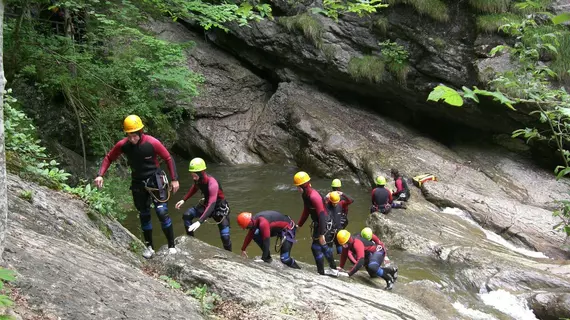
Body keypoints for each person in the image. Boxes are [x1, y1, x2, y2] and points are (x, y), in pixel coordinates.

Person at [95, 115, 180, 259]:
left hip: (155, 181)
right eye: (129, 135)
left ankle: (172, 246)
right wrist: (100, 174)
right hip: (138, 183)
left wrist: (174, 179)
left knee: (162, 212)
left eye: (135, 135)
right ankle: (149, 248)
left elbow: (168, 158)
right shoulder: (123, 145)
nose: (132, 139)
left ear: (141, 132)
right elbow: (109, 157)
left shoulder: (152, 143)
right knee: (144, 214)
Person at [175, 158, 231, 251]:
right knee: (187, 215)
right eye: (192, 175)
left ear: (201, 172)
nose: (193, 177)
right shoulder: (198, 180)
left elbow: (212, 204)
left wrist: (200, 221)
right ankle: (191, 242)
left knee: (225, 236)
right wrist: (183, 200)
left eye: (195, 175)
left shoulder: (212, 183)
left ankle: (230, 256)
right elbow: (194, 188)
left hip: (219, 208)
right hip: (206, 204)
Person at [294, 171, 337, 276]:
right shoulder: (305, 195)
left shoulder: (314, 196)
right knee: (321, 246)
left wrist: (322, 234)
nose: (297, 188)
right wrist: (299, 224)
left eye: (298, 186)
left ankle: (323, 271)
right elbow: (306, 210)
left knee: (316, 247)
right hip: (319, 223)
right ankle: (332, 268)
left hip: (324, 223)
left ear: (303, 186)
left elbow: (322, 215)